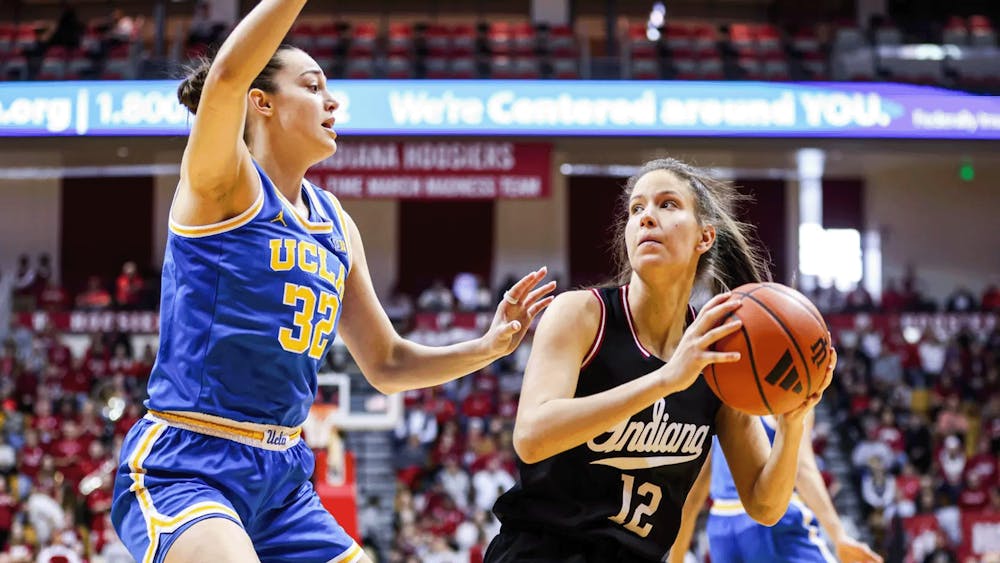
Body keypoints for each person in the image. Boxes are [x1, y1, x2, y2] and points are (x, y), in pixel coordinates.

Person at [109, 2, 555, 562]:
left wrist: (488, 347)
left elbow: (387, 363)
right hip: (191, 461)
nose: (332, 100)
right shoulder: (222, 184)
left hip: (284, 477)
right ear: (260, 101)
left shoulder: (336, 224)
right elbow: (225, 76)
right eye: (313, 85)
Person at [484, 158, 833, 562]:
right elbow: (530, 437)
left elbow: (764, 506)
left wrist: (792, 424)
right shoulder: (582, 314)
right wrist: (667, 379)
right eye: (636, 208)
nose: (647, 216)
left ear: (705, 237)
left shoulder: (719, 352)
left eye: (667, 204)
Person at [669, 414, 883, 563]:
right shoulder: (787, 382)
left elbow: (693, 495)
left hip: (721, 529)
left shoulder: (721, 393)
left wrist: (675, 559)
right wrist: (838, 536)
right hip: (771, 519)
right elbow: (801, 469)